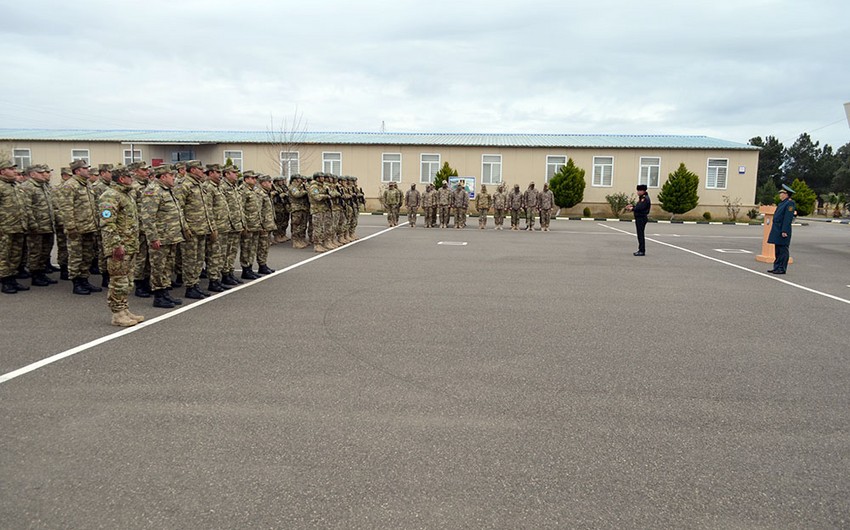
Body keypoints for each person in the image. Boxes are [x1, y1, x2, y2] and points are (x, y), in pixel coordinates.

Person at [98, 167, 144, 326]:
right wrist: (116, 245)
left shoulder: (126, 195)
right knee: (118, 281)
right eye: (129, 177)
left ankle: (124, 309)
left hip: (130, 246)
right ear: (121, 179)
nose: (132, 179)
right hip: (119, 247)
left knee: (128, 281)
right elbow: (107, 224)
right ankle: (117, 314)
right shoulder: (109, 196)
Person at [141, 165, 186, 308]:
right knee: (158, 267)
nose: (174, 177)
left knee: (168, 266)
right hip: (160, 238)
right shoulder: (153, 191)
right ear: (163, 177)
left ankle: (166, 292)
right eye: (171, 175)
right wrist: (153, 238)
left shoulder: (168, 190)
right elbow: (148, 218)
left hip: (171, 237)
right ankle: (159, 295)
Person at [60, 159, 103, 294]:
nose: (88, 170)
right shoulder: (70, 185)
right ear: (77, 171)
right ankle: (76, 282)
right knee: (76, 256)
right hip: (77, 229)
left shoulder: (87, 184)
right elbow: (66, 208)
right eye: (85, 168)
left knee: (87, 255)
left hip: (89, 227)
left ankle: (84, 280)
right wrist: (71, 227)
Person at [20, 165, 58, 287]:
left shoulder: (43, 186)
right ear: (32, 174)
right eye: (41, 173)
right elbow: (27, 207)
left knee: (45, 251)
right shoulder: (27, 187)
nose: (44, 174)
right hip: (36, 227)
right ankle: (35, 275)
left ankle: (41, 273)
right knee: (35, 252)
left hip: (47, 225)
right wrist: (32, 224)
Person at [0, 159, 31, 294]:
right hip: (4, 228)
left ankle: (12, 278)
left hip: (18, 227)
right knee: (4, 256)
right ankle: (5, 281)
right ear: (2, 171)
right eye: (11, 169)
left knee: (15, 255)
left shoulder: (16, 186)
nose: (15, 171)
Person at [768, 184, 797, 274]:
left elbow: (787, 218)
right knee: (777, 250)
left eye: (782, 193)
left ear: (786, 194)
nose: (780, 195)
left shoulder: (790, 203)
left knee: (783, 250)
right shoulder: (782, 203)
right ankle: (776, 267)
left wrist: (784, 230)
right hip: (777, 229)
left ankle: (782, 268)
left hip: (782, 229)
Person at [625, 184, 651, 256]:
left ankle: (642, 250)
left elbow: (640, 208)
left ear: (643, 191)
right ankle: (641, 249)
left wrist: (632, 208)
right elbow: (638, 206)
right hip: (639, 218)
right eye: (638, 190)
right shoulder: (642, 198)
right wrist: (632, 206)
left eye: (639, 191)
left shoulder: (644, 198)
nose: (638, 192)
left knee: (640, 235)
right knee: (639, 234)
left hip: (641, 218)